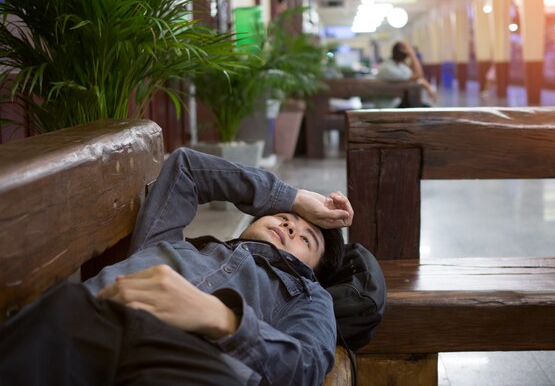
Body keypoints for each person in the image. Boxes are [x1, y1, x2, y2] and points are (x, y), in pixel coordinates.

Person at [0, 147, 353, 386]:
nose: (291, 226)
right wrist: (292, 196)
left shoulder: (309, 297)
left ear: (313, 270)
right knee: (61, 307)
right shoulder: (165, 243)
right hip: (97, 317)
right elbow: (186, 167)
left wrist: (225, 320)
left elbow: (306, 363)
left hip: (196, 362)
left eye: (307, 239)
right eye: (285, 217)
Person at [376, 40, 437, 107]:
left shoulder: (399, 65)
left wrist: (427, 85)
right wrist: (413, 55)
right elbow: (418, 74)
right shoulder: (387, 68)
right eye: (409, 51)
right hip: (390, 106)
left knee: (427, 107)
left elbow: (415, 78)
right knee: (425, 109)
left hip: (400, 101)